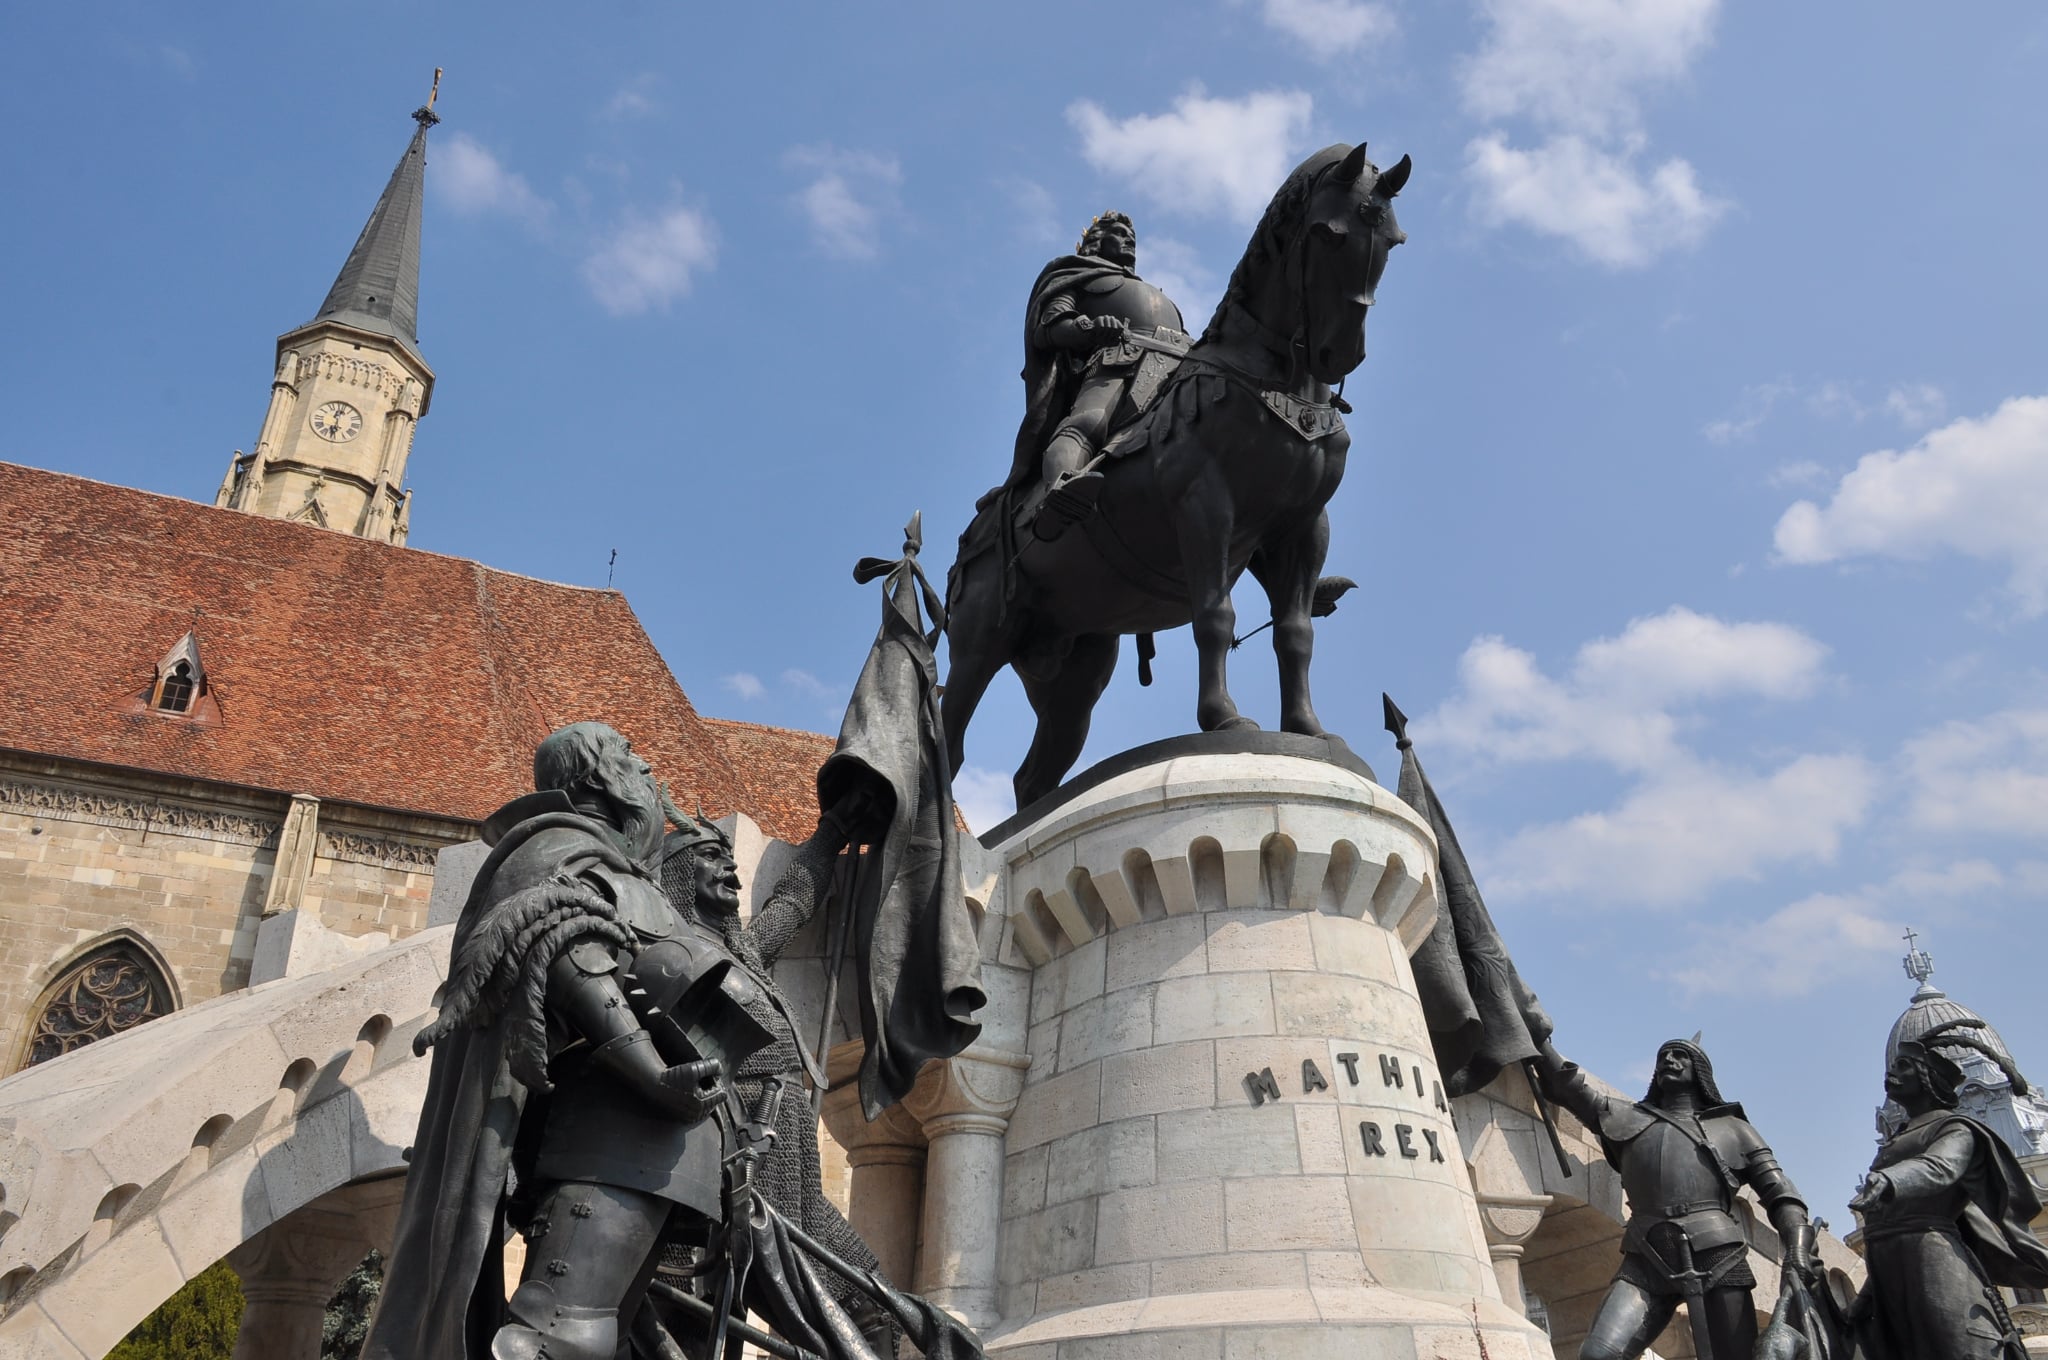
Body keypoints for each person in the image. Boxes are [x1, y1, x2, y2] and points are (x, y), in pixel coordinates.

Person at [364, 722, 846, 1360]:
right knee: (560, 1337)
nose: (648, 768)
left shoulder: (640, 886)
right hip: (614, 1139)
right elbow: (563, 939)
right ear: (602, 778)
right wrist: (647, 1068)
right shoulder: (558, 846)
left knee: (597, 1340)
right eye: (630, 757)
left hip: (684, 1155)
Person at [657, 803, 897, 1358]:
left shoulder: (742, 952)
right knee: (855, 1304)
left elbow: (792, 900)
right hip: (744, 1163)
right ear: (676, 876)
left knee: (869, 1301)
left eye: (730, 859)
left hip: (791, 1176)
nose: (731, 870)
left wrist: (832, 830)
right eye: (711, 858)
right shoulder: (670, 956)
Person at [1531, 1037, 1813, 1360]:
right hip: (1647, 1256)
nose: (1669, 1060)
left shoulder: (1734, 1129)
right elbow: (1567, 1087)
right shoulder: (1627, 1119)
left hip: (1719, 1257)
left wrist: (1797, 1247)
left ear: (1700, 1072)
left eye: (1680, 1056)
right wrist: (1536, 1034)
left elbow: (1782, 1193)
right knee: (1598, 1354)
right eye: (1663, 1056)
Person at [1846, 1037, 2048, 1359]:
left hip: (1933, 1259)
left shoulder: (1955, 1128)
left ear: (1928, 1078)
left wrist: (1890, 1179)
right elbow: (1890, 1225)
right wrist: (1868, 1295)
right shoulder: (1897, 1141)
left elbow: (1939, 1167)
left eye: (1903, 1066)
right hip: (1889, 1269)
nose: (1891, 1073)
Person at [1004, 211, 1187, 536]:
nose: (1128, 238)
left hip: (1177, 371)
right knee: (1088, 422)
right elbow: (1049, 328)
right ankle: (1061, 488)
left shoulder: (1151, 291)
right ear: (1093, 242)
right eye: (1118, 232)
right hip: (1116, 361)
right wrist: (1088, 328)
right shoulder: (1075, 274)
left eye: (1131, 235)